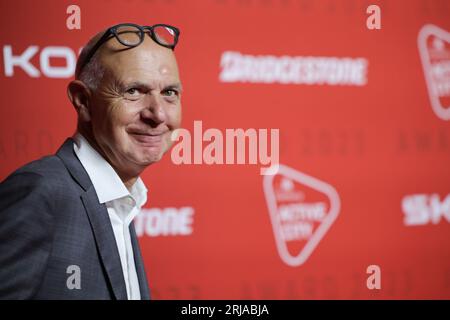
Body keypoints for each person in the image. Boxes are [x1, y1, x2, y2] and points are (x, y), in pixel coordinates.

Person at [0, 23, 182, 299]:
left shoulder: (120, 198)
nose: (157, 113)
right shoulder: (42, 193)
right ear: (83, 100)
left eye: (169, 93)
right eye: (133, 91)